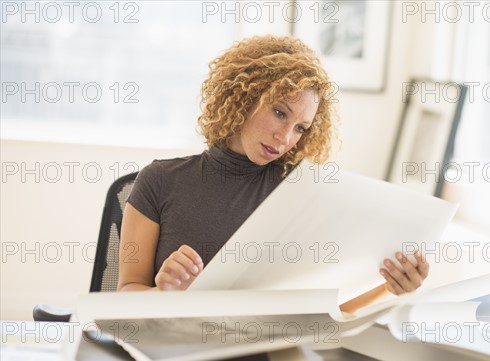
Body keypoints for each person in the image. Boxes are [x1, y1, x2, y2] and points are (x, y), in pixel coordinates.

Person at [117, 35, 429, 313]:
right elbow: (125, 294)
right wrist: (164, 295)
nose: (285, 137)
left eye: (300, 128)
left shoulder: (301, 192)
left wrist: (391, 287)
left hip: (266, 358)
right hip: (174, 356)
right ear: (242, 98)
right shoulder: (159, 181)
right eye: (279, 112)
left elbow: (331, 305)